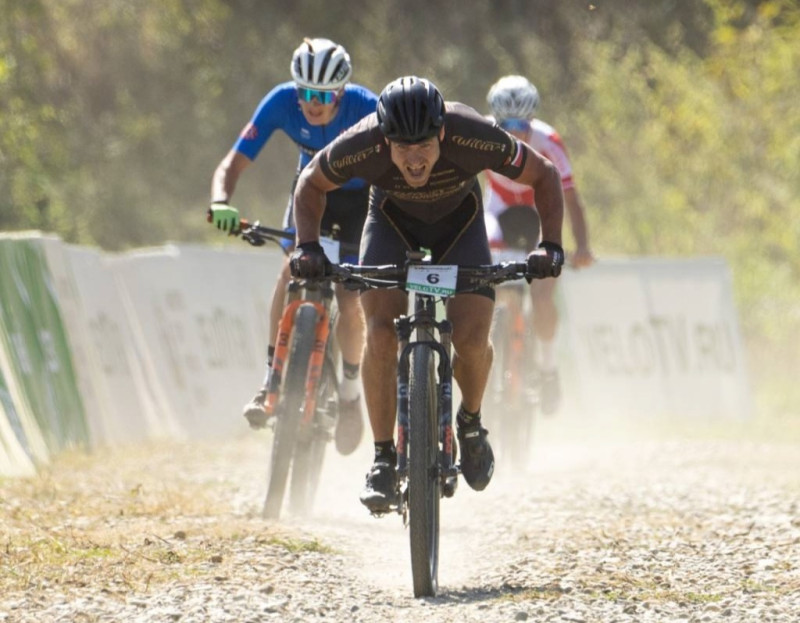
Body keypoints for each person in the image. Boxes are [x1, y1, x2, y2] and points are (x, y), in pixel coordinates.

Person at [288, 76, 565, 513]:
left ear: (442, 133)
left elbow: (544, 175)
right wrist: (306, 248)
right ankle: (382, 458)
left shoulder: (472, 134)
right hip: (390, 225)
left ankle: (471, 424)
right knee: (378, 333)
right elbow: (310, 183)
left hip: (461, 226)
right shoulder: (364, 142)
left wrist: (549, 243)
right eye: (402, 148)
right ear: (384, 139)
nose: (414, 161)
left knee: (472, 340)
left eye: (424, 148)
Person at [208, 37, 378, 455]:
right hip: (311, 195)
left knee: (350, 294)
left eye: (322, 96)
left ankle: (352, 393)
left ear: (341, 93)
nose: (312, 103)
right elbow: (234, 161)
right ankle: (272, 382)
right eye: (305, 92)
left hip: (360, 201)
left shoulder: (369, 107)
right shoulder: (281, 102)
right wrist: (219, 201)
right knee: (290, 273)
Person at [484, 75, 594, 415]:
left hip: (538, 210)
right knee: (486, 273)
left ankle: (547, 369)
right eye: (506, 124)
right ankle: (494, 346)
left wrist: (582, 247)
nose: (513, 132)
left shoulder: (549, 142)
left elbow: (572, 199)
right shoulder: (483, 135)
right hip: (499, 209)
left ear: (531, 120)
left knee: (543, 295)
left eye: (520, 124)